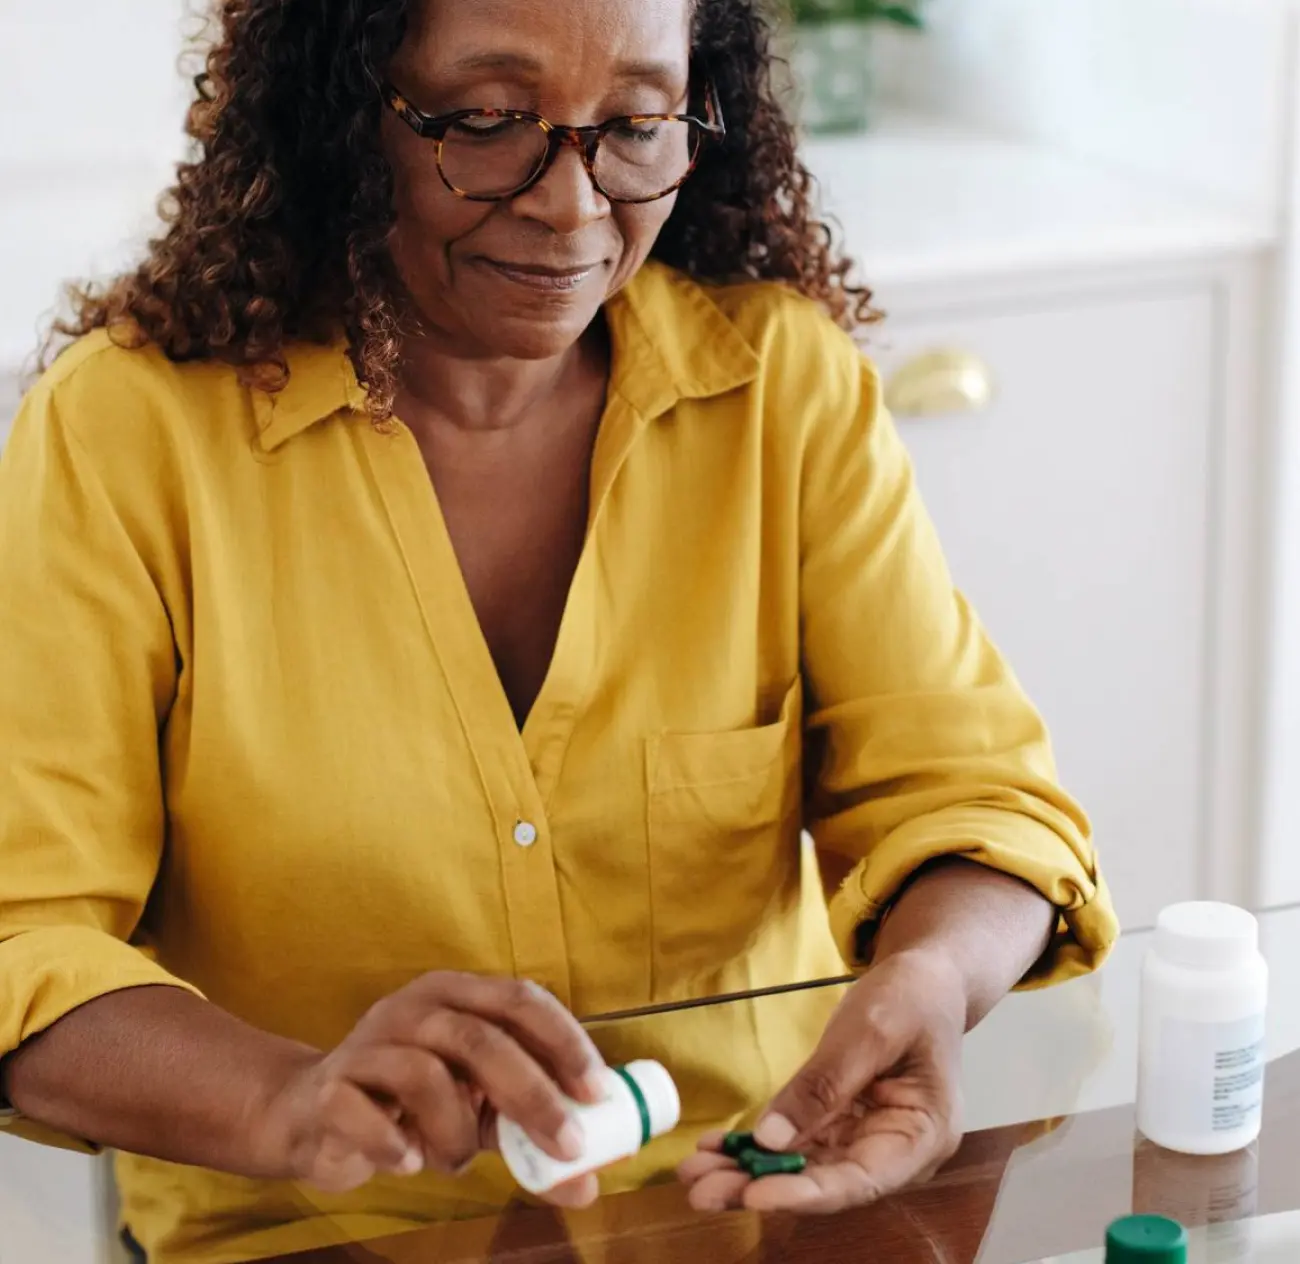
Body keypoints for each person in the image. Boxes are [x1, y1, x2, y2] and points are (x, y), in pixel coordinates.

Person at [0, 0, 1118, 1259]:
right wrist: (286, 1098)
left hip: (735, 1204)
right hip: (308, 1230)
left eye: (636, 125)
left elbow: (980, 802)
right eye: (485, 121)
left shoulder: (779, 390)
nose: (574, 207)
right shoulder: (130, 435)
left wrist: (928, 979)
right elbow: (22, 934)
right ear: (341, 108)